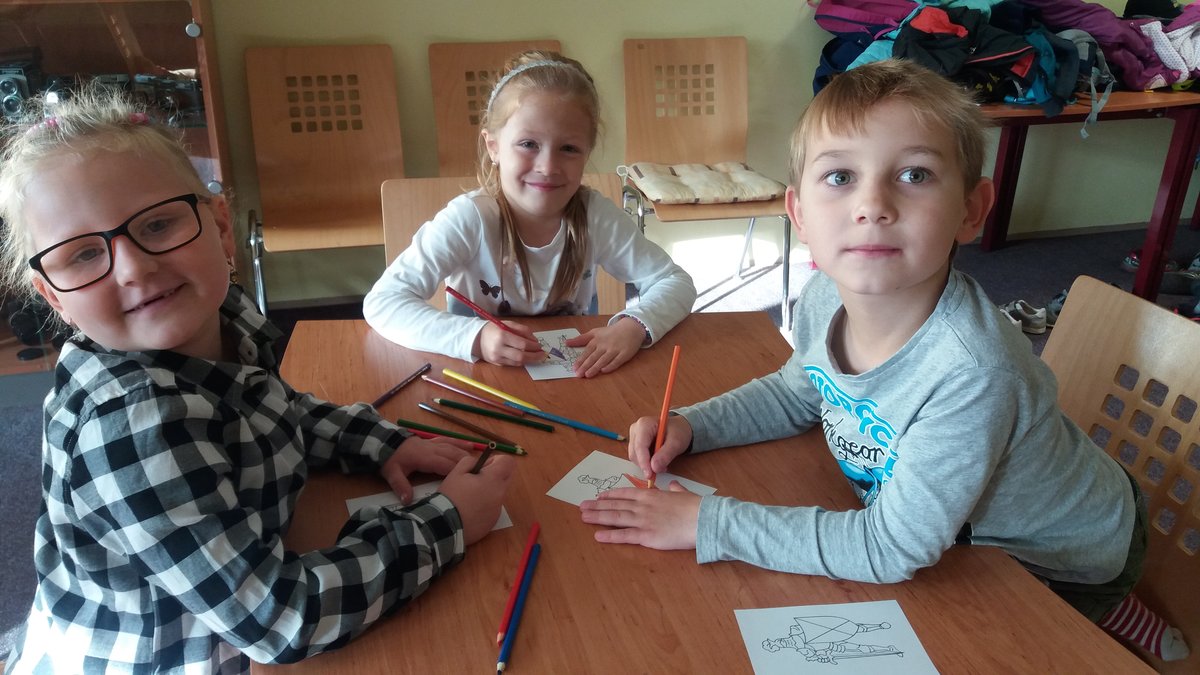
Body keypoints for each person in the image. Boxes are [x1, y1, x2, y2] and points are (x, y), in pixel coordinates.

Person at [579, 59, 1189, 661]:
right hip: (946, 526)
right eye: (840, 176)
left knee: (1029, 639)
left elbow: (891, 548)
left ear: (971, 210)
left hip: (1061, 553)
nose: (872, 204)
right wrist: (692, 425)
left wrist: (706, 525)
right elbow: (797, 392)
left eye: (915, 174)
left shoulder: (973, 372)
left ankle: (1121, 612)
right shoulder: (824, 294)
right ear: (799, 213)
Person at [0, 86, 514, 674]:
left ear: (221, 227)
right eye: (83, 255)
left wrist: (378, 441)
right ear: (54, 297)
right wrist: (447, 523)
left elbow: (275, 410)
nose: (135, 268)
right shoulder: (133, 427)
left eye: (159, 223)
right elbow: (278, 619)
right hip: (170, 656)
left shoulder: (222, 317)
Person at [363, 50, 696, 378]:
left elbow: (675, 282)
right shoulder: (469, 219)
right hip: (482, 378)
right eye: (528, 144)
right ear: (493, 146)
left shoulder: (595, 216)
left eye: (569, 148)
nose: (548, 167)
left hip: (577, 377)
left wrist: (633, 326)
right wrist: (476, 338)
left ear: (587, 153)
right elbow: (384, 302)